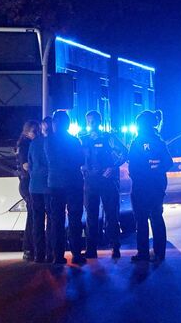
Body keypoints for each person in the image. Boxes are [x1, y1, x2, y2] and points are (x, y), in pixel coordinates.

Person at [80, 110, 128, 259]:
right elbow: (77, 157)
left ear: (99, 122)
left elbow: (124, 152)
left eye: (93, 121)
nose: (90, 124)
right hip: (90, 182)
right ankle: (91, 249)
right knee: (91, 216)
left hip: (107, 181)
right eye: (88, 121)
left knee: (111, 214)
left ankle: (115, 247)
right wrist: (81, 167)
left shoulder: (108, 138)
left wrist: (113, 167)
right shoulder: (83, 139)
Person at [128, 110, 173, 263]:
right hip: (156, 186)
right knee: (156, 218)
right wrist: (156, 169)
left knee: (141, 220)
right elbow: (168, 162)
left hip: (141, 187)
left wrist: (141, 175)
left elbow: (132, 166)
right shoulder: (159, 141)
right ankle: (159, 253)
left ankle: (143, 254)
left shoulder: (137, 142)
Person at [45, 110, 86, 265]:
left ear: (55, 123)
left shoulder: (48, 141)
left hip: (54, 184)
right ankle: (76, 253)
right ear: (68, 124)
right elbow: (81, 160)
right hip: (73, 183)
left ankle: (57, 255)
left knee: (56, 220)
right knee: (75, 219)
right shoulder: (74, 141)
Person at [28, 117, 53, 263]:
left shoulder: (34, 143)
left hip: (34, 186)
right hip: (49, 186)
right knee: (51, 219)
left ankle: (38, 254)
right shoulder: (52, 143)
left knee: (37, 220)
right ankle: (50, 252)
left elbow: (30, 164)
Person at [16, 120, 39, 261]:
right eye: (33, 131)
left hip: (28, 183)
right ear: (27, 131)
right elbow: (26, 166)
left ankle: (30, 247)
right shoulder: (25, 145)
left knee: (33, 215)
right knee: (32, 216)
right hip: (28, 183)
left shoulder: (25, 143)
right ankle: (28, 248)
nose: (36, 134)